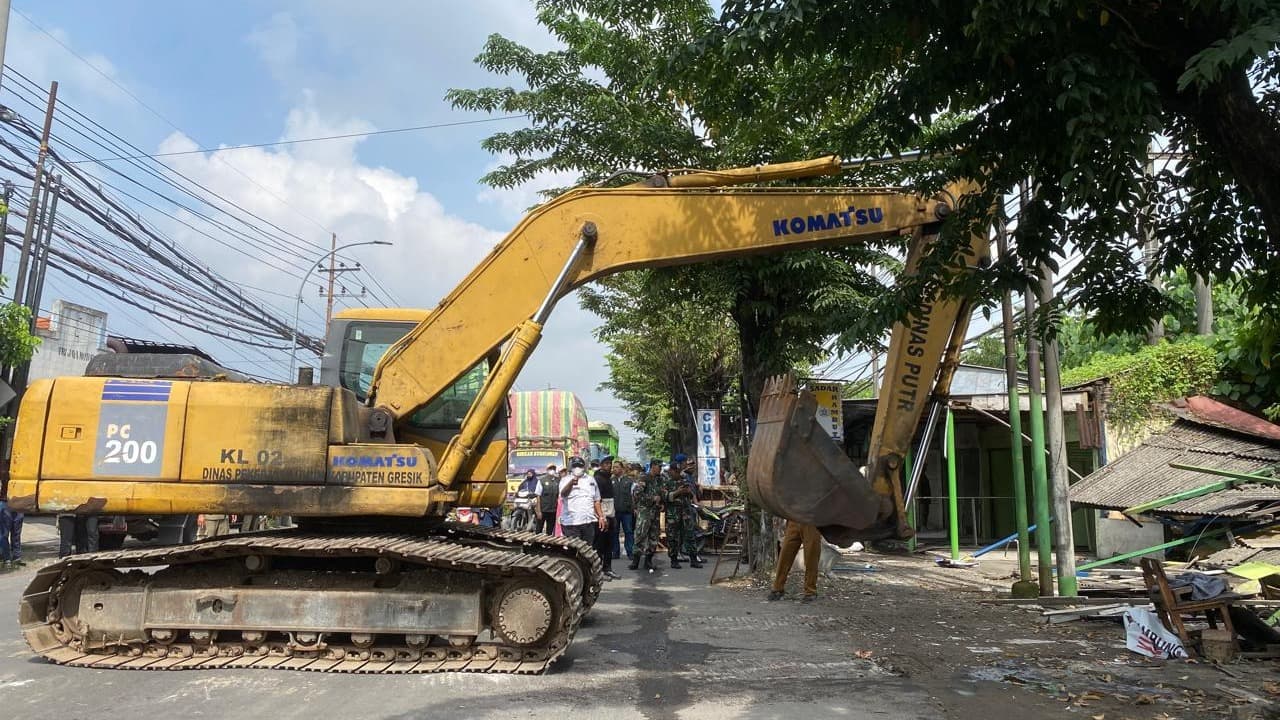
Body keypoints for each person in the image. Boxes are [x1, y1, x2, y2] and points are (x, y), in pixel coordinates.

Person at [769, 520, 823, 602]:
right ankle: (778, 588)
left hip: (811, 520)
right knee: (785, 554)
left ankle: (810, 591)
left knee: (811, 558)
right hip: (793, 519)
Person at [663, 454, 701, 569]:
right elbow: (665, 497)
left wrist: (689, 491)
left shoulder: (685, 480)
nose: (675, 474)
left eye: (677, 472)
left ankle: (693, 559)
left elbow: (691, 494)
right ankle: (674, 560)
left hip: (685, 512)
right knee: (673, 537)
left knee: (690, 535)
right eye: (674, 471)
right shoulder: (667, 482)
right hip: (673, 514)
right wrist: (677, 492)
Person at [558, 456, 605, 548]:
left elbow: (596, 500)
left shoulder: (591, 480)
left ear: (584, 467)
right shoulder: (565, 480)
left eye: (579, 466)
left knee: (587, 550)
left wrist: (601, 517)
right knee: (573, 551)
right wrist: (571, 484)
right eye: (575, 466)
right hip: (571, 523)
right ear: (571, 467)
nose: (577, 468)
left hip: (588, 522)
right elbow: (563, 494)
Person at [629, 459, 665, 572]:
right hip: (645, 512)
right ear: (653, 466)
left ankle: (648, 561)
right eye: (659, 466)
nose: (660, 469)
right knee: (640, 535)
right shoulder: (644, 477)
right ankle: (635, 560)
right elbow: (637, 493)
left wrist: (662, 502)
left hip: (655, 512)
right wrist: (652, 498)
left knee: (653, 537)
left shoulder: (660, 479)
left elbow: (662, 493)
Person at [592, 456, 619, 580]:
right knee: (599, 546)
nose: (609, 466)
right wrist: (601, 517)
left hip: (611, 515)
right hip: (602, 517)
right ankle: (598, 571)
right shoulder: (597, 479)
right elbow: (596, 501)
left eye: (610, 463)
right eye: (607, 463)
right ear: (601, 465)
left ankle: (607, 568)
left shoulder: (609, 479)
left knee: (609, 545)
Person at [613, 463, 637, 560]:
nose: (614, 469)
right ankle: (615, 552)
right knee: (614, 532)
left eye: (617, 467)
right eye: (613, 467)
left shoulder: (629, 481)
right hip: (614, 511)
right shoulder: (611, 481)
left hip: (627, 511)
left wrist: (635, 508)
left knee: (628, 531)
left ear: (622, 469)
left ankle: (630, 552)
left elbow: (634, 496)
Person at [0, 476, 24, 568]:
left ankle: (16, 557)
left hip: (19, 501)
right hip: (5, 501)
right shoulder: (3, 467)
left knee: (16, 533)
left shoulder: (21, 470)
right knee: (4, 534)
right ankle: (7, 559)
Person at [537, 464, 559, 534]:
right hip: (543, 510)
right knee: (539, 529)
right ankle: (536, 544)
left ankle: (547, 544)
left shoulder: (558, 481)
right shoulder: (541, 481)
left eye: (553, 468)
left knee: (550, 531)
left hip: (553, 510)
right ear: (547, 470)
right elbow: (538, 496)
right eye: (550, 468)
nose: (552, 470)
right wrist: (538, 511)